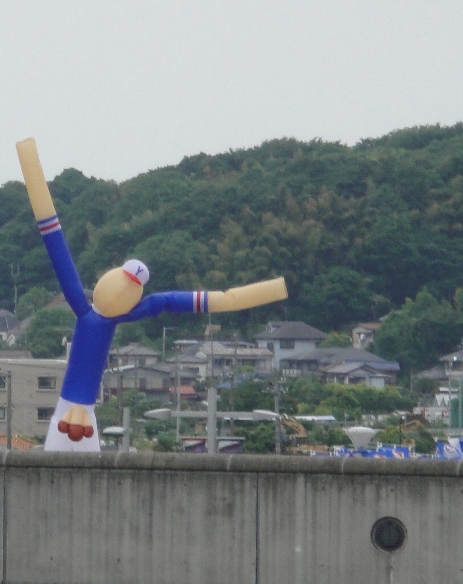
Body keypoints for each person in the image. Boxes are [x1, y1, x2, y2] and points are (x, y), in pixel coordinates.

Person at [17, 138, 288, 451]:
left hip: (76, 408)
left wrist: (33, 175)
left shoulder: (86, 311)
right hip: (79, 408)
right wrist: (240, 297)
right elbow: (169, 301)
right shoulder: (110, 314)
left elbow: (57, 247)